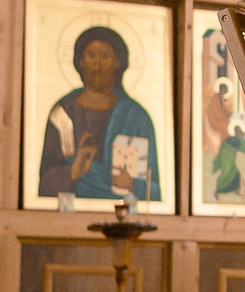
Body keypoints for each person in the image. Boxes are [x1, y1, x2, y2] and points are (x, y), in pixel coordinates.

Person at [38, 25, 160, 204]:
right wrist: (73, 171)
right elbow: (43, 184)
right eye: (91, 56)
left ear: (118, 62)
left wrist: (132, 184)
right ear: (80, 61)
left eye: (105, 56)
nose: (97, 64)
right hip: (70, 215)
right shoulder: (63, 114)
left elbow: (157, 191)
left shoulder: (135, 116)